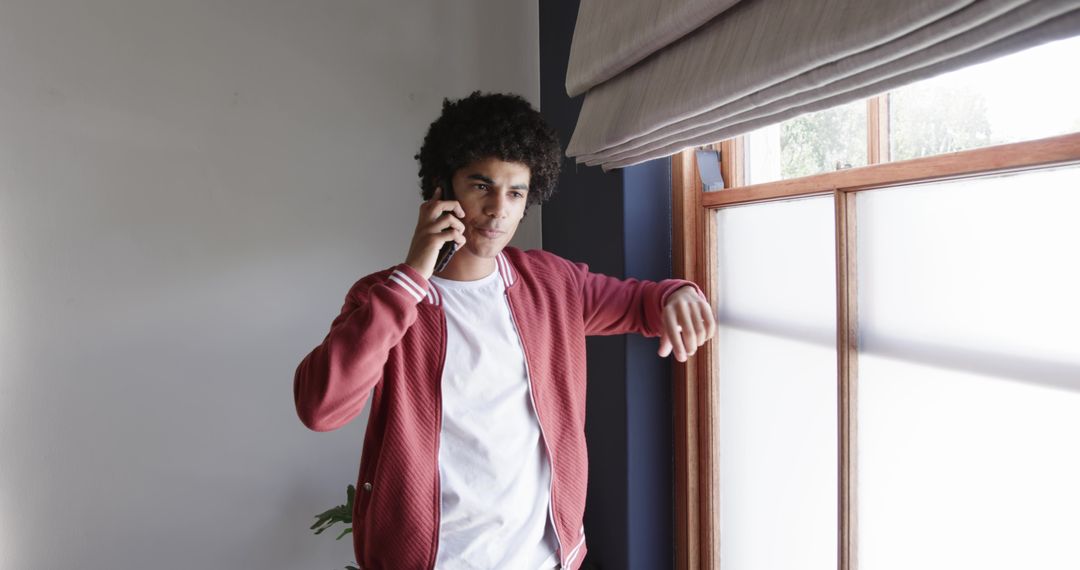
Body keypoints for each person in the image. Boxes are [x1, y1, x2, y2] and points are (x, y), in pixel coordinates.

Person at [294, 92, 715, 570]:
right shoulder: (385, 297)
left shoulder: (553, 284)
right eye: (481, 186)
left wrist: (678, 294)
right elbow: (320, 407)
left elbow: (643, 303)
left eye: (515, 193)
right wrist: (413, 275)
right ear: (441, 188)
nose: (499, 209)